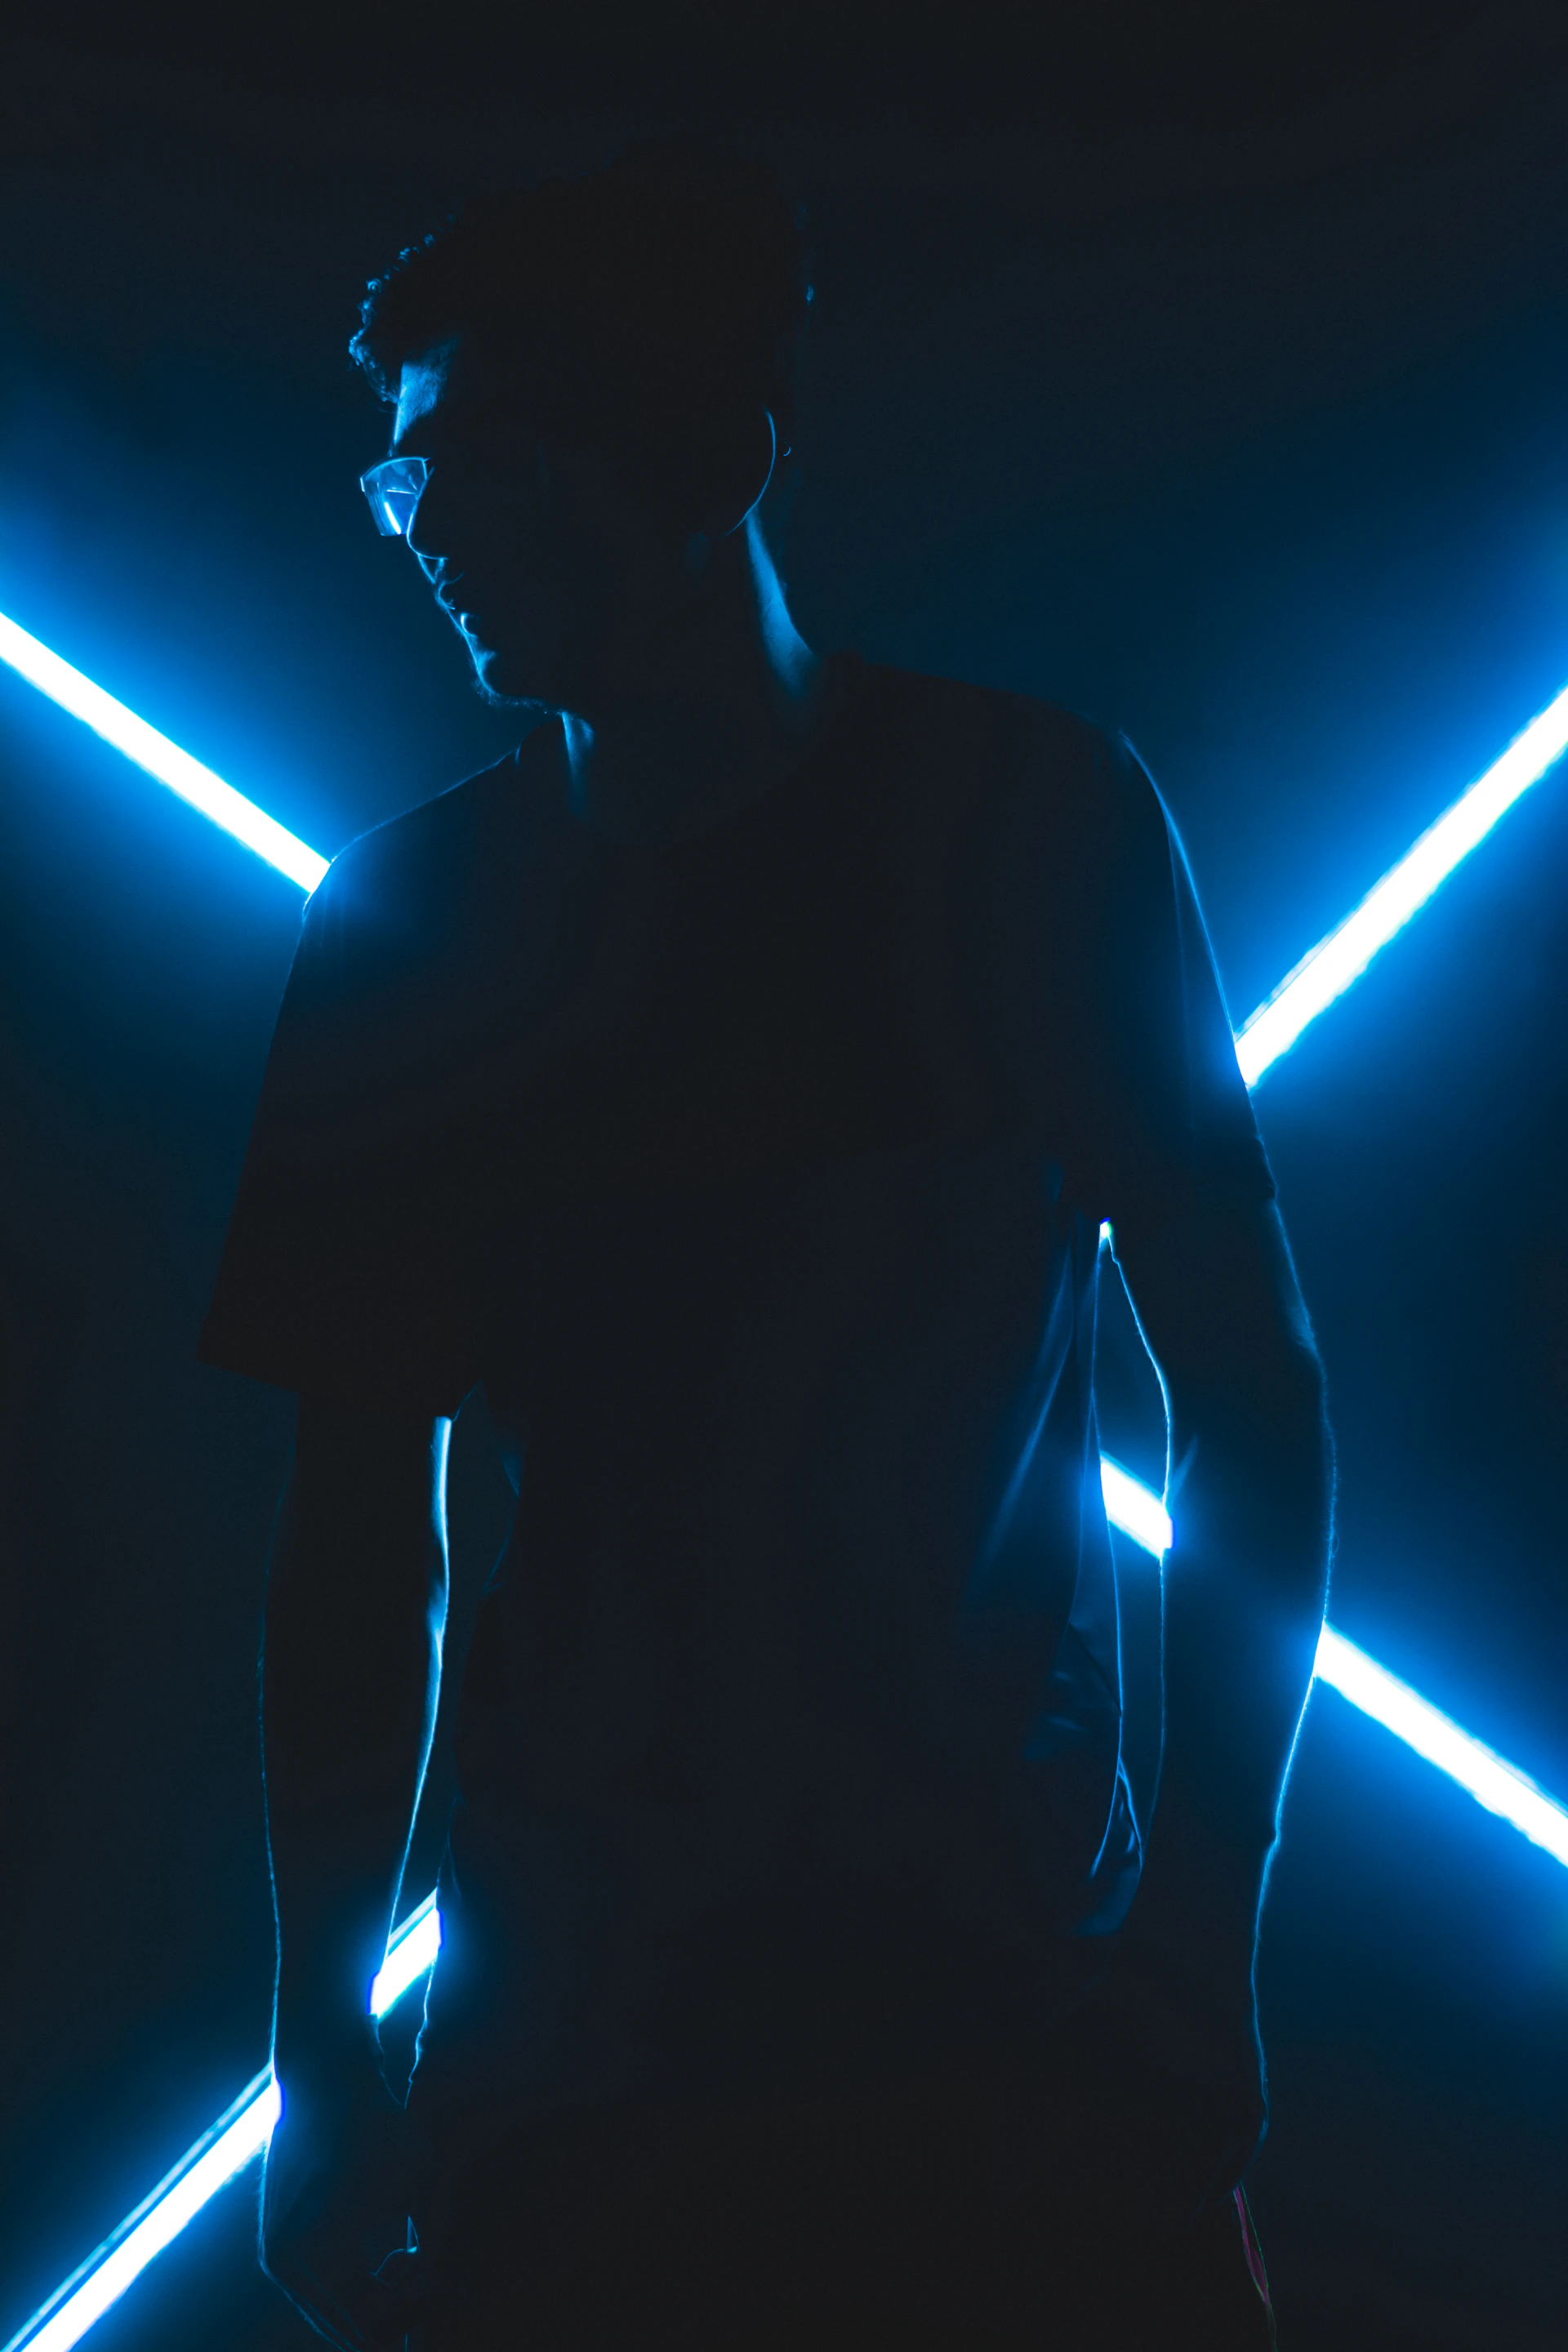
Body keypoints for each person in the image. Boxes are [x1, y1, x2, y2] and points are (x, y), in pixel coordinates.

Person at [200, 145, 1332, 2349]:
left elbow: (1256, 1401)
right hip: (602, 2033)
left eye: (475, 457)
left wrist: (1195, 1958)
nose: (422, 528)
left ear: (715, 454)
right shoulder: (410, 936)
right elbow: (348, 1553)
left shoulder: (1032, 834)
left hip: (995, 2015)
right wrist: (324, 2057)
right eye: (399, 474)